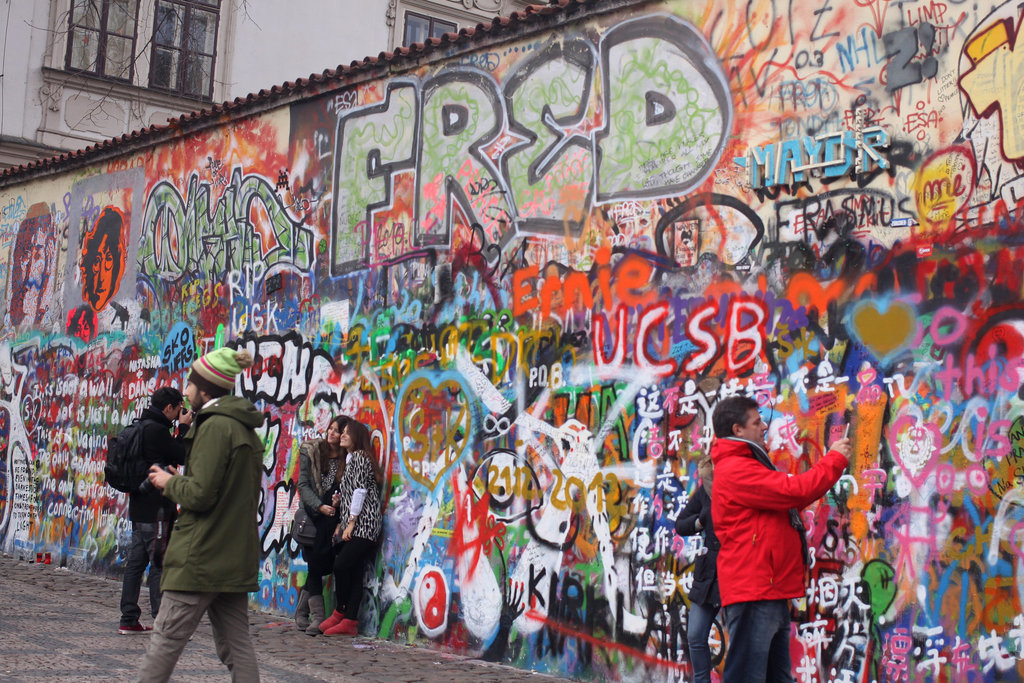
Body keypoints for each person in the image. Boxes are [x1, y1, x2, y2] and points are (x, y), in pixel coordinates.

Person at [137, 346, 264, 683]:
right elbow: (226, 492)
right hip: (232, 554)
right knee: (237, 647)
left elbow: (201, 494)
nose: (186, 392)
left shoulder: (214, 427)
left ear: (206, 388)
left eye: (191, 384)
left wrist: (169, 482)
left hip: (202, 555)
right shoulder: (243, 429)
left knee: (165, 640)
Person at [710, 396, 850, 683]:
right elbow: (794, 491)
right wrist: (834, 459)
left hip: (768, 590)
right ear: (737, 430)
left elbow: (786, 497)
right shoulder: (737, 468)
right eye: (756, 421)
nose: (764, 426)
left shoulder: (749, 464)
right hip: (755, 590)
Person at [118, 386, 192, 634]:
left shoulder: (141, 426)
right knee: (160, 564)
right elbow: (180, 455)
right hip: (157, 508)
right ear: (169, 407)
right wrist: (183, 429)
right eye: (179, 409)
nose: (181, 413)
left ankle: (128, 618)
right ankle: (164, 623)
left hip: (139, 506)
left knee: (136, 564)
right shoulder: (157, 430)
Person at [318, 418, 383, 636]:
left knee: (341, 566)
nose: (342, 436)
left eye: (347, 433)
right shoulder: (351, 459)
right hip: (355, 525)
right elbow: (352, 491)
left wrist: (351, 523)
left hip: (364, 526)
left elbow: (360, 492)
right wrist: (340, 506)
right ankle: (350, 621)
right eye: (342, 432)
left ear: (357, 437)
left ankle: (341, 611)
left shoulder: (360, 458)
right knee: (354, 572)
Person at [293, 416, 347, 635]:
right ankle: (317, 617)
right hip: (314, 515)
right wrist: (319, 507)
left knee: (320, 564)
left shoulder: (347, 457)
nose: (332, 433)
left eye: (338, 431)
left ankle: (301, 613)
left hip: (333, 516)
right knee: (315, 564)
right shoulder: (311, 451)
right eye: (331, 429)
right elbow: (303, 485)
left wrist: (337, 502)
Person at [675, 456, 720, 683]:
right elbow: (681, 524)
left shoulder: (739, 487)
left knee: (743, 641)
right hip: (707, 575)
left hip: (736, 571)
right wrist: (700, 523)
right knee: (695, 635)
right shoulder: (704, 493)